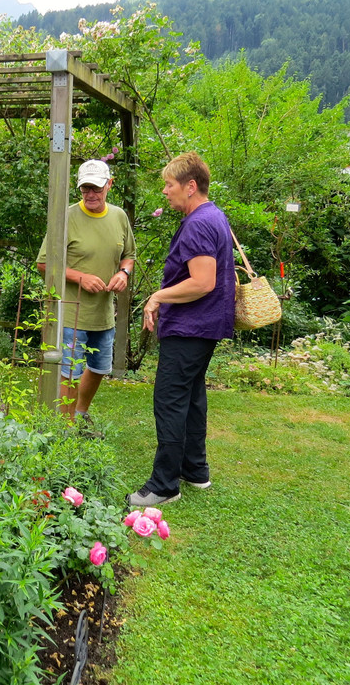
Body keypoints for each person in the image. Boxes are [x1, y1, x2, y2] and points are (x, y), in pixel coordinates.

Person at [129, 151, 235, 507]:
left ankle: (164, 485)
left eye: (169, 184)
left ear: (190, 186)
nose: (165, 191)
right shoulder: (213, 215)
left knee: (170, 399)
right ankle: (195, 470)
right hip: (205, 326)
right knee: (191, 397)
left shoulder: (199, 223)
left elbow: (203, 282)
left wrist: (157, 296)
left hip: (191, 326)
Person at [37, 159, 136, 425]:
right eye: (85, 189)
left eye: (96, 188)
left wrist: (123, 273)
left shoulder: (119, 217)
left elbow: (129, 256)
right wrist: (80, 277)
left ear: (109, 185)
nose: (91, 194)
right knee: (70, 371)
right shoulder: (66, 217)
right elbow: (44, 263)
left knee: (100, 367)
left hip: (103, 314)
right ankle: (65, 427)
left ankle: (79, 415)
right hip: (72, 312)